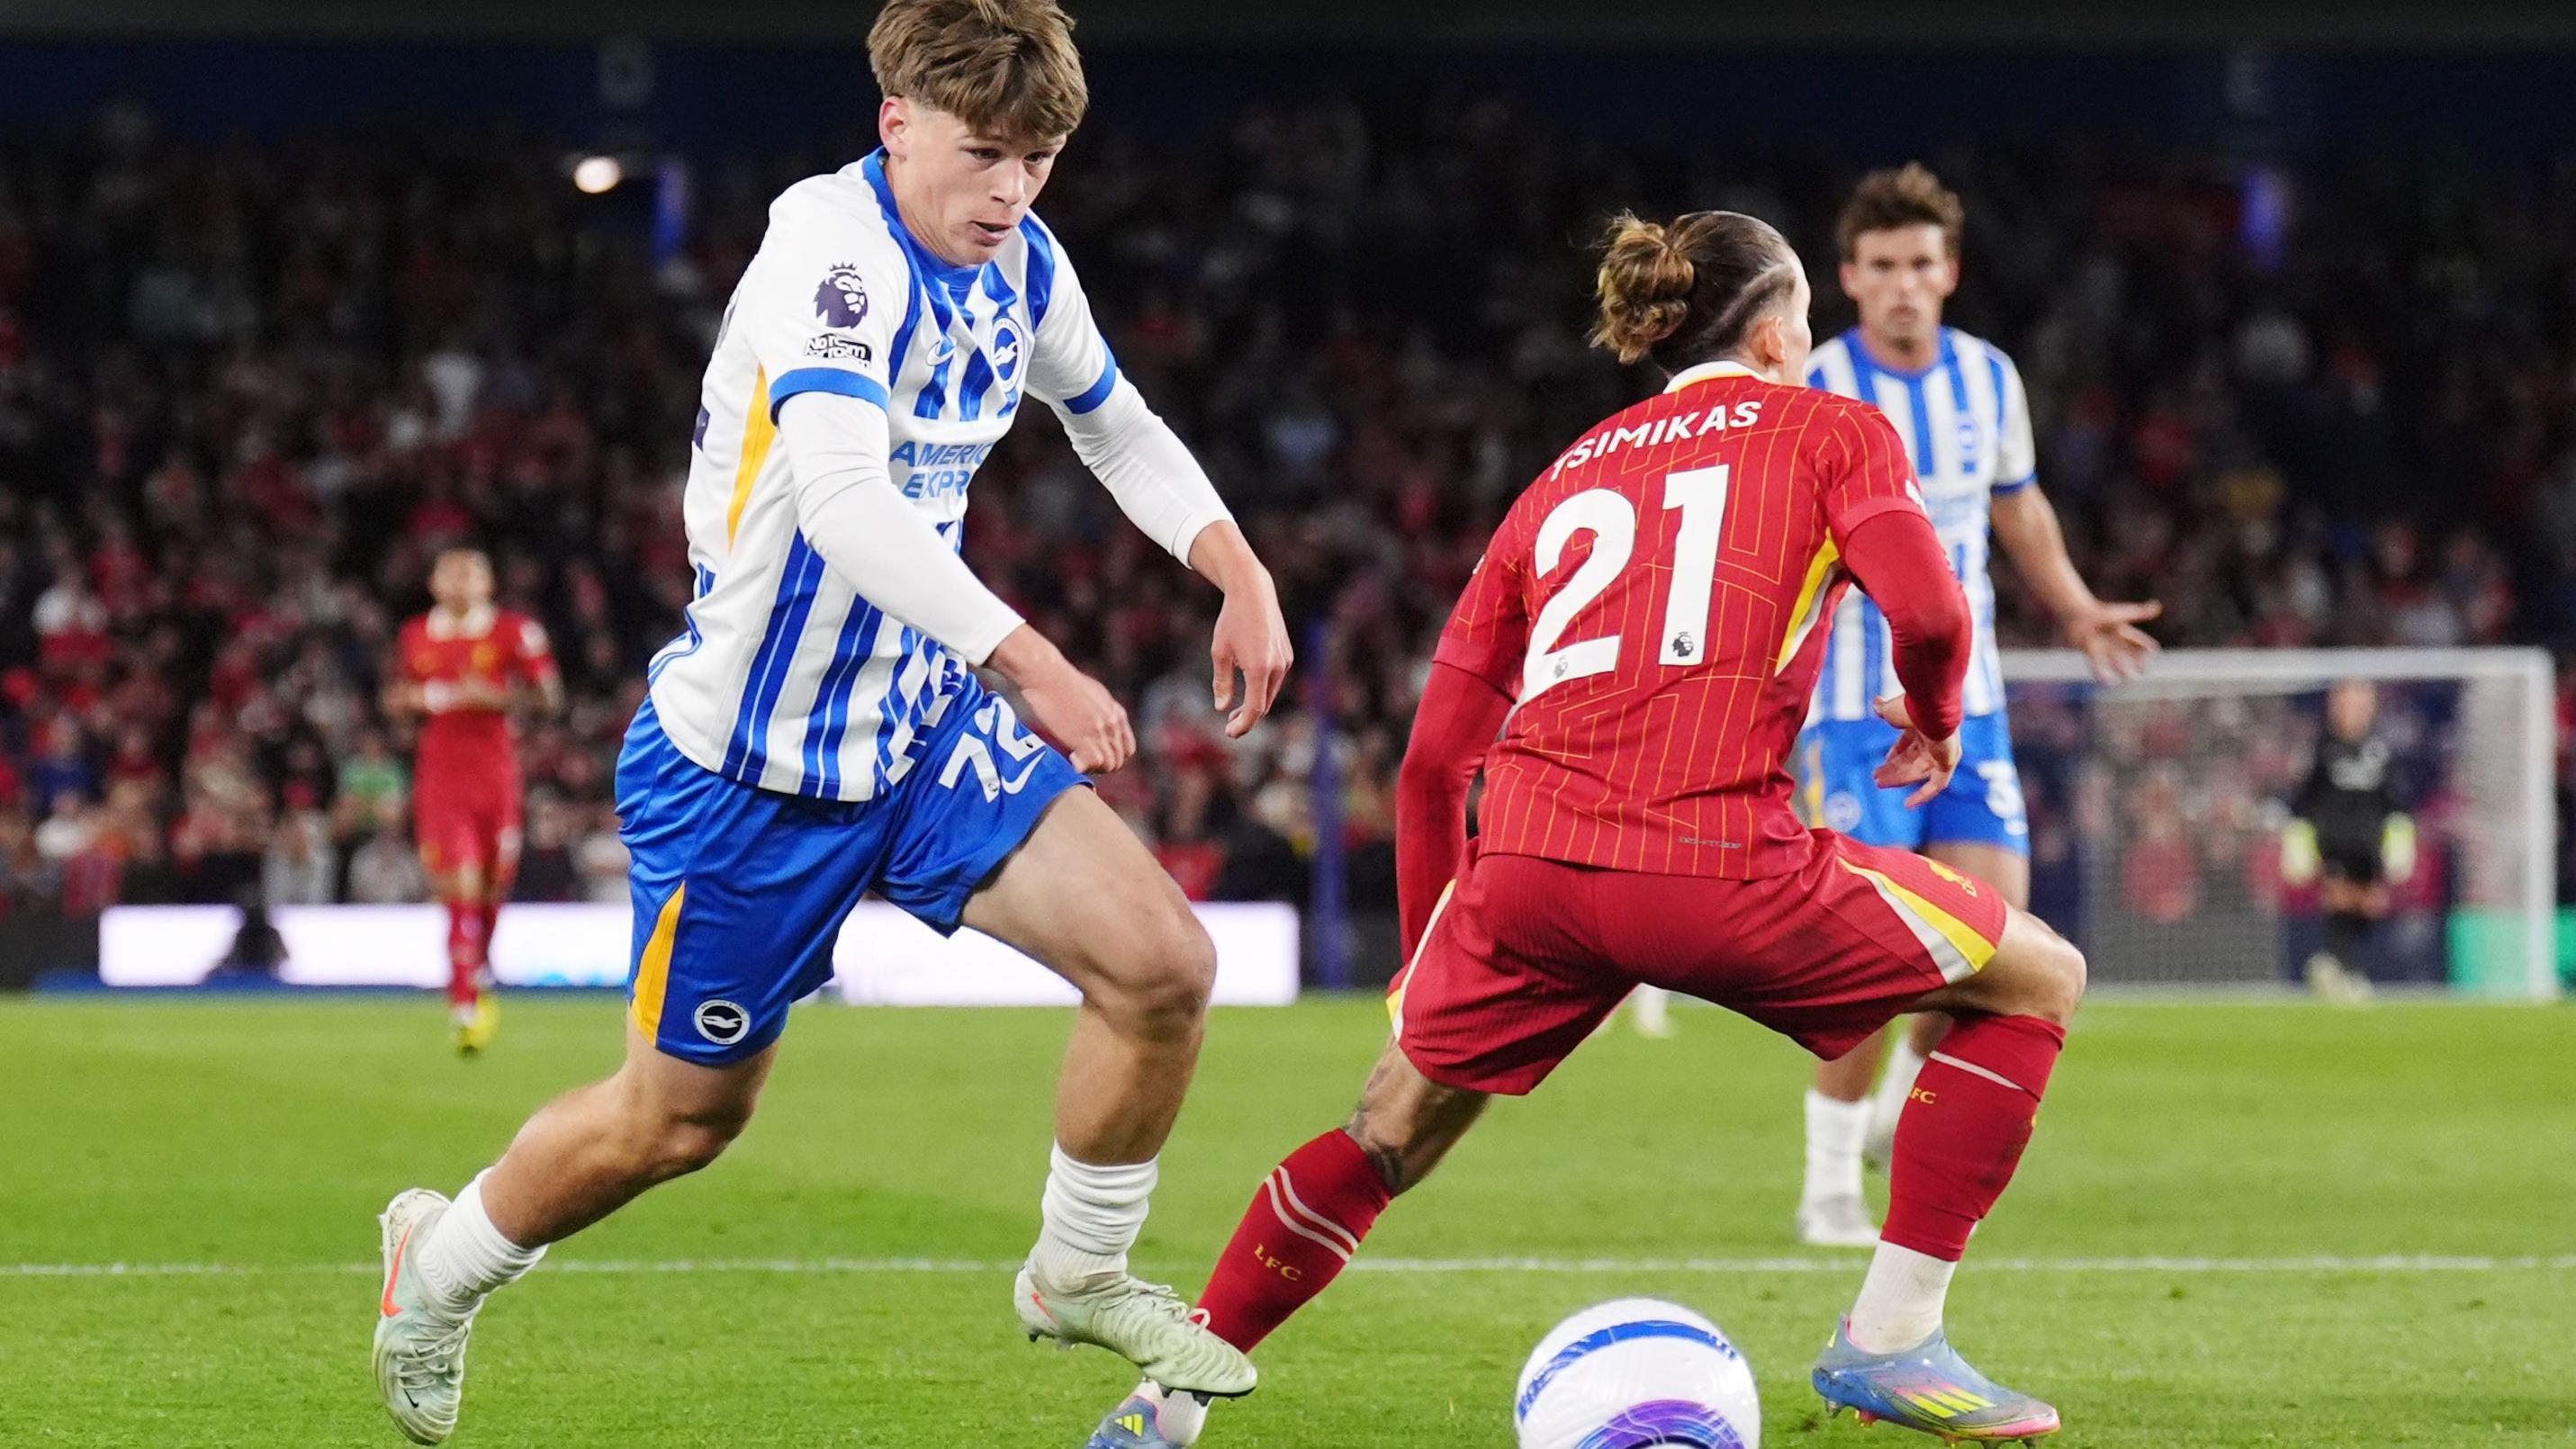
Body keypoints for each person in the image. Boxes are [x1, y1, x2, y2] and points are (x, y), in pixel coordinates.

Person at [369, 3, 1293, 1443]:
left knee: (1163, 966)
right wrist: (1027, 658)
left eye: (1039, 160)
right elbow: (847, 500)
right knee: (675, 1122)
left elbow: (1110, 420)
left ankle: (1077, 1271)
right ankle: (436, 1267)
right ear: (898, 125)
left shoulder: (1021, 266)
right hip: (750, 764)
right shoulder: (828, 255)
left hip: (915, 735)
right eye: (984, 154)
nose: (1011, 192)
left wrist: (1230, 562)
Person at [1081, 211, 2081, 1449]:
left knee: (1386, 1125)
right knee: (2035, 975)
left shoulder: (1566, 472)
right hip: (1719, 860)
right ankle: (1889, 1337)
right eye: (1810, 327)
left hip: (1528, 878)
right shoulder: (1833, 425)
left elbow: (1435, 759)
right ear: (1774, 334)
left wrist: (1422, 957)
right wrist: (1929, 716)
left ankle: (1165, 1401)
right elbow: (1930, 611)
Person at [1790, 164, 2157, 1247]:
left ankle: (1888, 1127)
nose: (1905, 284)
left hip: (1974, 707)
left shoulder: (1990, 379)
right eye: (1883, 267)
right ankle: (1826, 1186)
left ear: (1949, 271)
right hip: (1855, 708)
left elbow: (2020, 507)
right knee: (1865, 955)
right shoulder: (1817, 382)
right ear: (1849, 278)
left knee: (1989, 944)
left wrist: (2080, 607)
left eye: (1922, 264)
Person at [383, 546, 562, 1056]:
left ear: (487, 583)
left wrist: (498, 698)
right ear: (435, 583)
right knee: (458, 883)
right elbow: (396, 696)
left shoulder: (514, 633)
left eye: (471, 574)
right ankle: (464, 1003)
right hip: (441, 777)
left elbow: (549, 697)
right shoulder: (416, 635)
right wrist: (414, 700)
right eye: (451, 574)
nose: (461, 584)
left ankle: (474, 973)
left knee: (491, 890)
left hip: (498, 776)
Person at [2279, 679, 2410, 1003]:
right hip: (2335, 839)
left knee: (2367, 903)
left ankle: (2335, 964)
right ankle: (2343, 969)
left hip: (2369, 842)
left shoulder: (2379, 750)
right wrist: (2298, 841)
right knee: (2339, 898)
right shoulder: (2324, 749)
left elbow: (2392, 801)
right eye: (2347, 704)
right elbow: (2305, 798)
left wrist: (2399, 841)